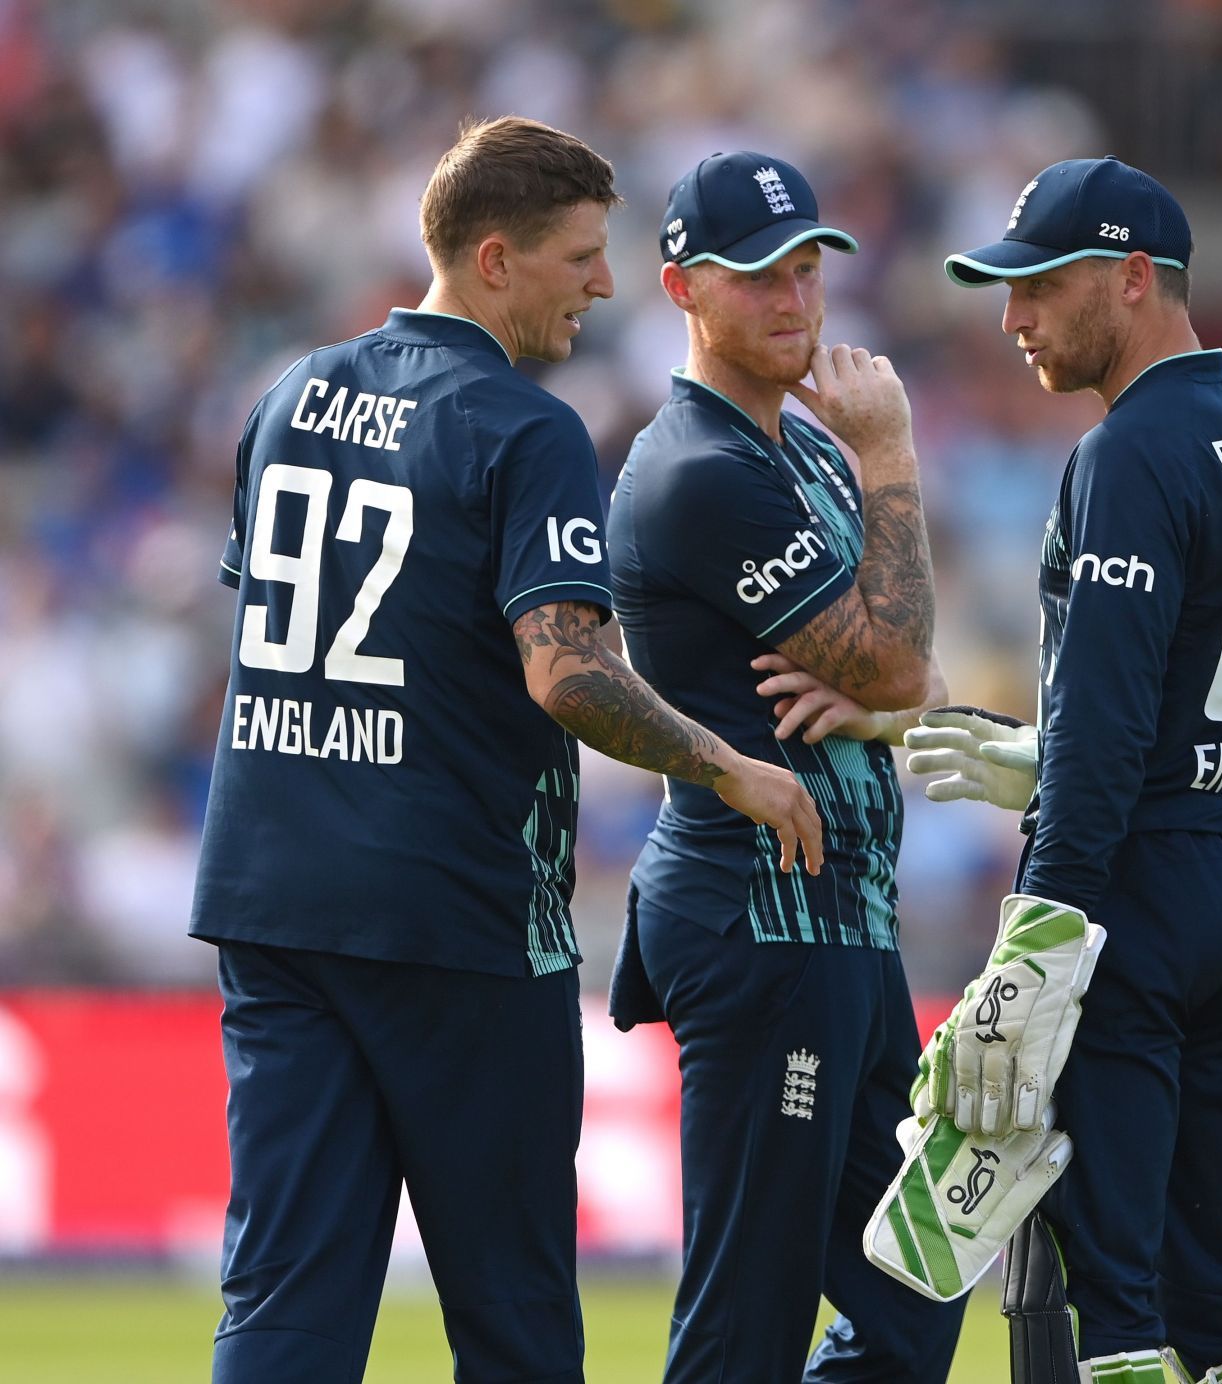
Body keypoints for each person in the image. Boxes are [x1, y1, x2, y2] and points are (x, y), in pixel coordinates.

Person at [188, 117, 821, 1384]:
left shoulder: (288, 393)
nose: (601, 283)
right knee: (514, 1312)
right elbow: (569, 670)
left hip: (275, 896)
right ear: (493, 261)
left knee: (286, 1300)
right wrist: (728, 764)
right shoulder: (523, 429)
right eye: (581, 256)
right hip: (456, 917)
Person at [917, 155, 1222, 1384]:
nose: (1015, 319)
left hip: (1140, 894)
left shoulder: (1128, 453)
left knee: (1116, 1289)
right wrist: (1040, 759)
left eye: (1041, 286)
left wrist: (1036, 931)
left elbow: (1106, 731)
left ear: (1135, 277)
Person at [603, 150, 965, 1384]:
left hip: (848, 929)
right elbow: (904, 658)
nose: (795, 300)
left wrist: (875, 698)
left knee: (916, 1299)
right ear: (681, 290)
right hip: (763, 922)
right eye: (758, 276)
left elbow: (903, 680)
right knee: (746, 1318)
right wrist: (895, 452)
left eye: (808, 269)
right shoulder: (700, 473)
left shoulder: (804, 452)